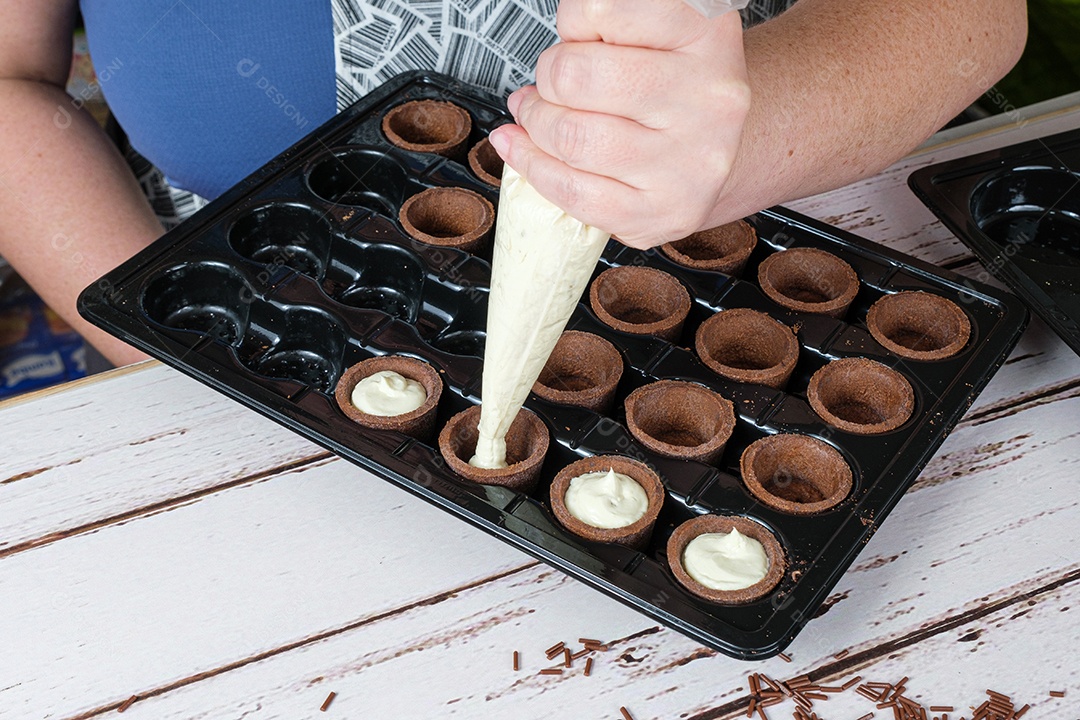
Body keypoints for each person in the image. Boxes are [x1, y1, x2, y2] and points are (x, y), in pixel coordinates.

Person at [0, 0, 1028, 366]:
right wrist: (152, 333)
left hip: (729, 271)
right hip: (244, 306)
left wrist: (755, 125)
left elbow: (967, 13)